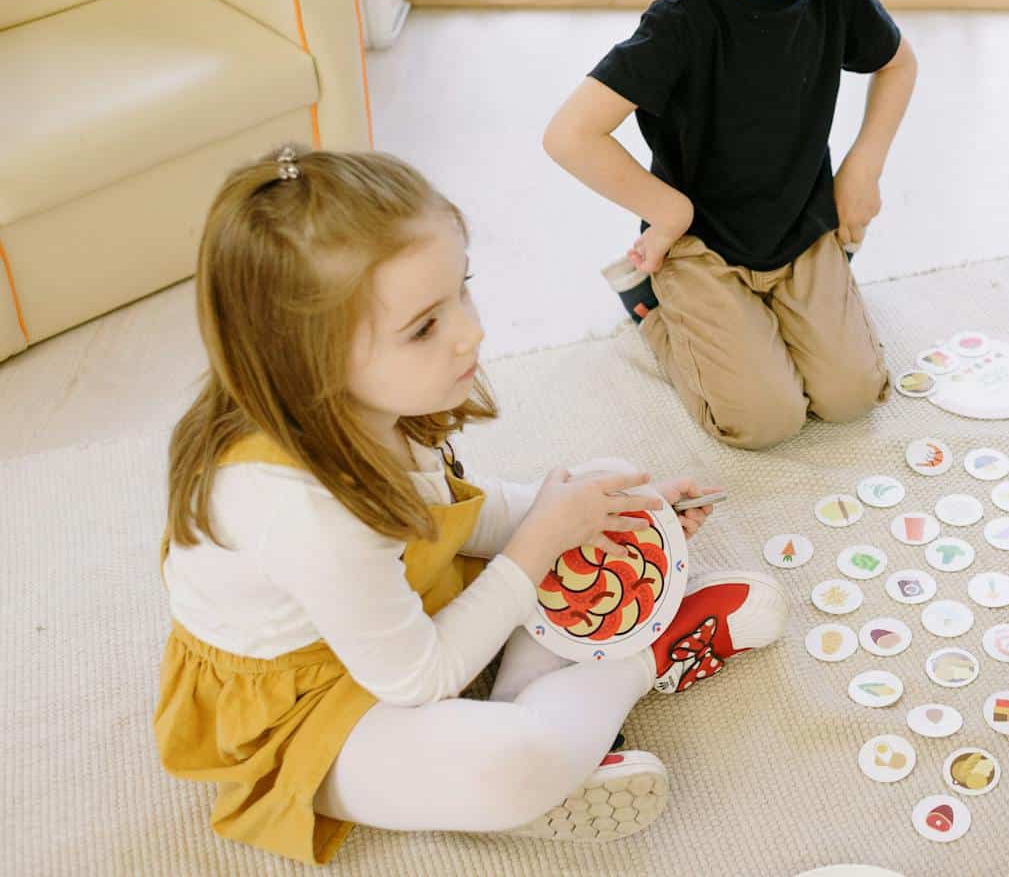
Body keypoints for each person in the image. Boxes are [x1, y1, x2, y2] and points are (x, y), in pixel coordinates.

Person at [154, 149, 785, 863]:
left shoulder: (357, 408)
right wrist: (538, 544)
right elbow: (419, 677)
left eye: (464, 289)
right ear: (309, 360)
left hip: (389, 614)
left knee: (600, 481)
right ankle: (640, 661)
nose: (471, 331)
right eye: (425, 325)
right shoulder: (301, 512)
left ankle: (539, 694)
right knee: (515, 760)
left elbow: (452, 515)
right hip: (311, 709)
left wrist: (608, 510)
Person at [544, 0, 918, 451]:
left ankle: (766, 317)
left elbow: (898, 64)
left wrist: (864, 167)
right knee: (764, 419)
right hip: (700, 247)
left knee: (851, 396)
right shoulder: (683, 22)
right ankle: (655, 311)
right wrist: (670, 212)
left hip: (800, 225)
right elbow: (570, 133)